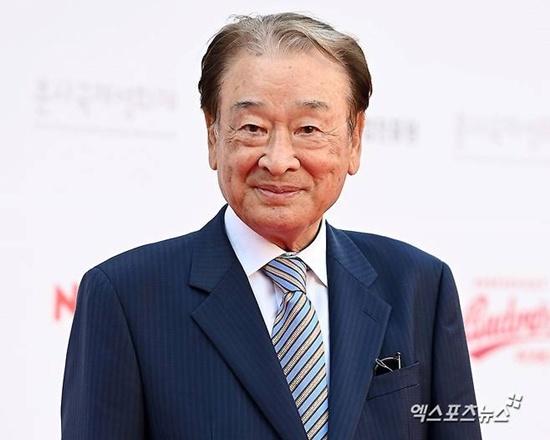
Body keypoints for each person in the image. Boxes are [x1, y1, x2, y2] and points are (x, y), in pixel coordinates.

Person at [61, 12, 482, 440]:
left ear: (354, 139)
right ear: (213, 135)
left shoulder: (419, 285)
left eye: (308, 128)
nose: (278, 160)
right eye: (253, 128)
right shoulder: (126, 297)